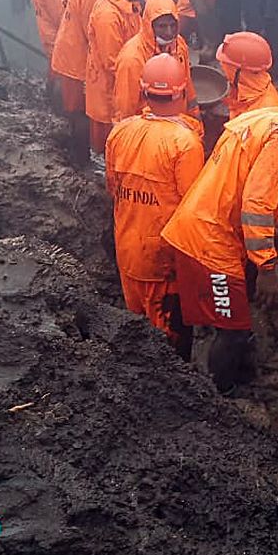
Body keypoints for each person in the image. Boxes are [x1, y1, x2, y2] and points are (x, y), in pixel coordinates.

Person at [160, 102, 278, 393]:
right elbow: (256, 204)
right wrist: (266, 266)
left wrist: (271, 234)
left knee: (228, 321)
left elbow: (244, 183)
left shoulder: (268, 118)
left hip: (204, 225)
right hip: (209, 241)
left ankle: (232, 373)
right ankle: (219, 397)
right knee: (233, 331)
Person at [105, 54, 205, 357]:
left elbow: (113, 187)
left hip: (127, 252)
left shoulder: (120, 132)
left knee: (136, 330)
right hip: (163, 264)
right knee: (168, 344)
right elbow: (192, 210)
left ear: (143, 91)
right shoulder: (185, 144)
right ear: (182, 92)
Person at [52, 0, 133, 166]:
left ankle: (81, 159)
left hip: (72, 55)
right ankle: (80, 163)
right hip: (75, 61)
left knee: (79, 112)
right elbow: (95, 33)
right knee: (79, 113)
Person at [86, 0, 151, 167]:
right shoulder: (108, 15)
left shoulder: (129, 3)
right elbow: (113, 62)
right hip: (108, 91)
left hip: (125, 85)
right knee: (108, 147)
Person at [113, 0, 197, 123]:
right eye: (162, 26)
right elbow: (126, 110)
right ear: (149, 25)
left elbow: (188, 87)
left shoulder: (179, 44)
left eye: (173, 25)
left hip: (177, 126)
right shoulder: (131, 59)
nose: (169, 32)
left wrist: (195, 118)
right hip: (148, 130)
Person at [217, 31, 278, 120]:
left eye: (225, 64)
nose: (221, 65)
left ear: (240, 70)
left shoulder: (262, 115)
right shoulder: (248, 86)